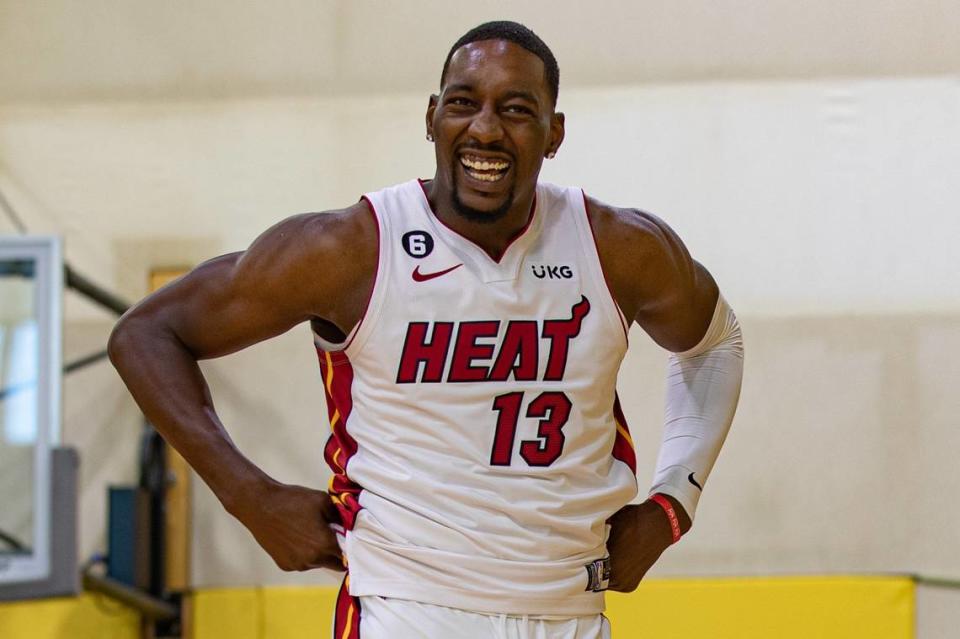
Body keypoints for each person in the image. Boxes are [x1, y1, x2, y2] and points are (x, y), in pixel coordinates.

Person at [109, 20, 743, 639]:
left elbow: (716, 343)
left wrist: (673, 504)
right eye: (464, 104)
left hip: (570, 606)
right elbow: (146, 334)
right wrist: (248, 496)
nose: (485, 130)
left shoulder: (618, 248)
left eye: (516, 110)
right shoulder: (352, 249)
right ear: (432, 116)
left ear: (554, 133)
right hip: (409, 605)